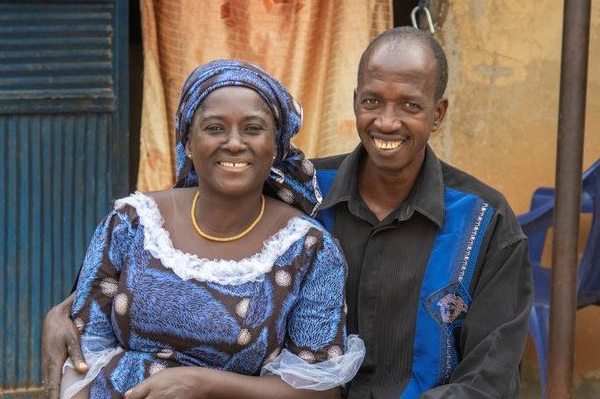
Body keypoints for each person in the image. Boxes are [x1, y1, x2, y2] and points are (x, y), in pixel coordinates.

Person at [43, 27, 532, 398]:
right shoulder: (295, 197)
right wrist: (62, 311)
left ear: (439, 113)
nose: (387, 121)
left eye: (410, 105)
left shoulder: (482, 222)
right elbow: (136, 275)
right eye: (372, 101)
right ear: (355, 103)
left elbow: (491, 374)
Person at [50, 59, 364, 399]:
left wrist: (201, 384)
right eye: (214, 128)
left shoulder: (308, 249)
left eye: (253, 128)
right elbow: (82, 354)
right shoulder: (131, 223)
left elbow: (319, 390)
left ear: (276, 145)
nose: (233, 143)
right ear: (188, 139)